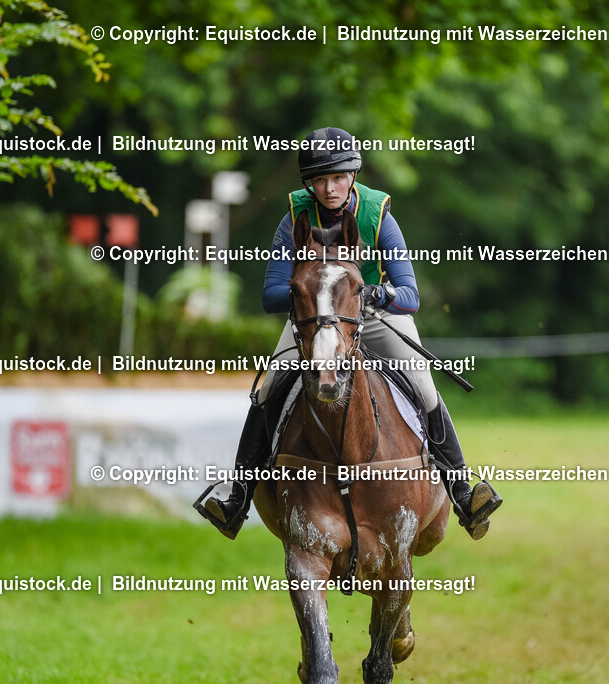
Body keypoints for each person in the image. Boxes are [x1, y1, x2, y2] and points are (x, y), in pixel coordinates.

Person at [196, 127, 502, 540]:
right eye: (319, 180)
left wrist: (372, 293)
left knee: (424, 386)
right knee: (268, 390)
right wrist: (312, 293)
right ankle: (236, 499)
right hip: (313, 316)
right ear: (309, 184)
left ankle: (463, 491)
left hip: (373, 315)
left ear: (353, 175)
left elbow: (410, 295)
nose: (329, 188)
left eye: (337, 177)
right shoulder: (294, 218)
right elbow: (271, 295)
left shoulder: (379, 215)